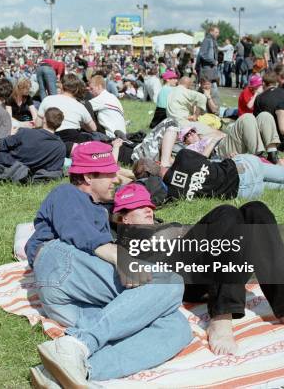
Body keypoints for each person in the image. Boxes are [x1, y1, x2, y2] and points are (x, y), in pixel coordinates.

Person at [25, 141, 191, 386]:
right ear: (88, 176)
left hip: (75, 301)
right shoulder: (67, 193)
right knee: (169, 281)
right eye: (109, 174)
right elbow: (78, 232)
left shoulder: (101, 209)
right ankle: (77, 344)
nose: (116, 179)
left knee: (176, 327)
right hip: (60, 262)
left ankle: (70, 371)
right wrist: (118, 257)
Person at [111, 184, 284, 356]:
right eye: (138, 207)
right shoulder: (121, 239)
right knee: (226, 213)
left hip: (209, 265)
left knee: (255, 210)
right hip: (182, 277)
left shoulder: (163, 225)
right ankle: (221, 317)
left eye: (149, 204)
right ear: (122, 217)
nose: (148, 209)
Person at [163, 148, 284, 202]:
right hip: (241, 171)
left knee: (264, 184)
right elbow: (206, 158)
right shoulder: (184, 157)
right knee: (260, 168)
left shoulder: (173, 194)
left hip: (242, 194)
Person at [0, 107, 66, 181]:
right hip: (27, 174)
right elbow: (54, 169)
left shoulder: (25, 132)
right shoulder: (61, 147)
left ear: (45, 120)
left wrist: (11, 135)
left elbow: (2, 145)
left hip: (7, 165)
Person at [37, 74, 97, 155]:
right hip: (73, 138)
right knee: (94, 136)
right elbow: (93, 128)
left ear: (61, 86)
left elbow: (38, 124)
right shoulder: (80, 106)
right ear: (76, 89)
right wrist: (83, 125)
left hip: (51, 139)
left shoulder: (47, 99)